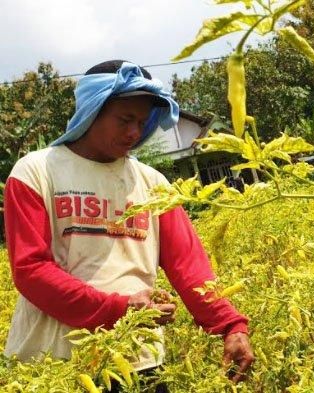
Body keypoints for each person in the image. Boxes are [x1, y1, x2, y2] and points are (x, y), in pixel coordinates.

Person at [2, 60, 254, 390]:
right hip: (52, 364)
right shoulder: (35, 173)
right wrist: (120, 309)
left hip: (139, 361)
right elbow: (31, 270)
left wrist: (229, 324)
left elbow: (188, 266)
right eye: (125, 119)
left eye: (142, 121)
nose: (135, 132)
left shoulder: (153, 183)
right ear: (91, 111)